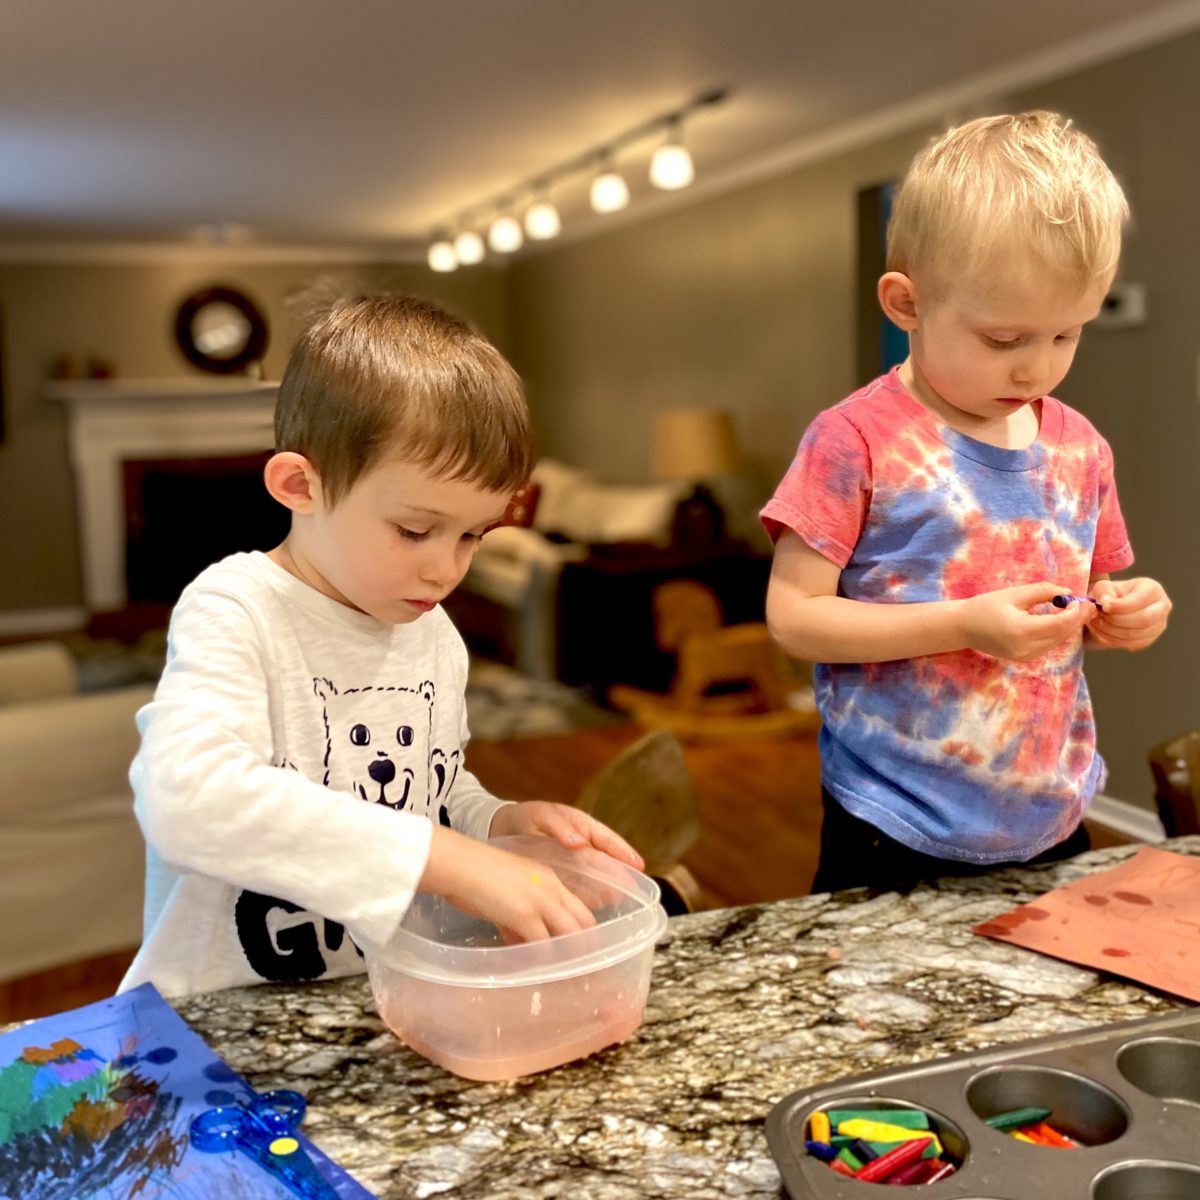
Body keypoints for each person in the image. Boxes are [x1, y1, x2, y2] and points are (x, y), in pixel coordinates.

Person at [119, 295, 642, 997]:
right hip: (220, 1020)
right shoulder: (236, 607)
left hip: (380, 997)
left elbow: (435, 790)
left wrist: (500, 826)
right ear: (300, 485)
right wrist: (449, 860)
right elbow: (185, 799)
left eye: (472, 535)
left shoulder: (432, 633)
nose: (446, 569)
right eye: (415, 530)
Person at [761, 112, 1172, 895]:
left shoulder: (1080, 448)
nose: (1037, 371)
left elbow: (1086, 594)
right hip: (893, 821)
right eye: (1004, 339)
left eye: (1066, 336)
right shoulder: (855, 440)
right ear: (906, 303)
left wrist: (1126, 610)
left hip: (1050, 810)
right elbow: (793, 617)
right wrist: (963, 625)